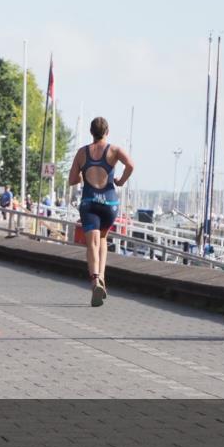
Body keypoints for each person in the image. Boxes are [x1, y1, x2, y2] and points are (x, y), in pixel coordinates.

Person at [67, 116, 134, 307]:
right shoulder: (114, 150)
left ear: (91, 132)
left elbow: (72, 180)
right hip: (109, 204)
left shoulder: (82, 153)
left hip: (89, 203)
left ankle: (95, 280)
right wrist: (121, 181)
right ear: (107, 131)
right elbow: (131, 165)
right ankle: (102, 277)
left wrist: (83, 176)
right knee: (103, 239)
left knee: (92, 245)